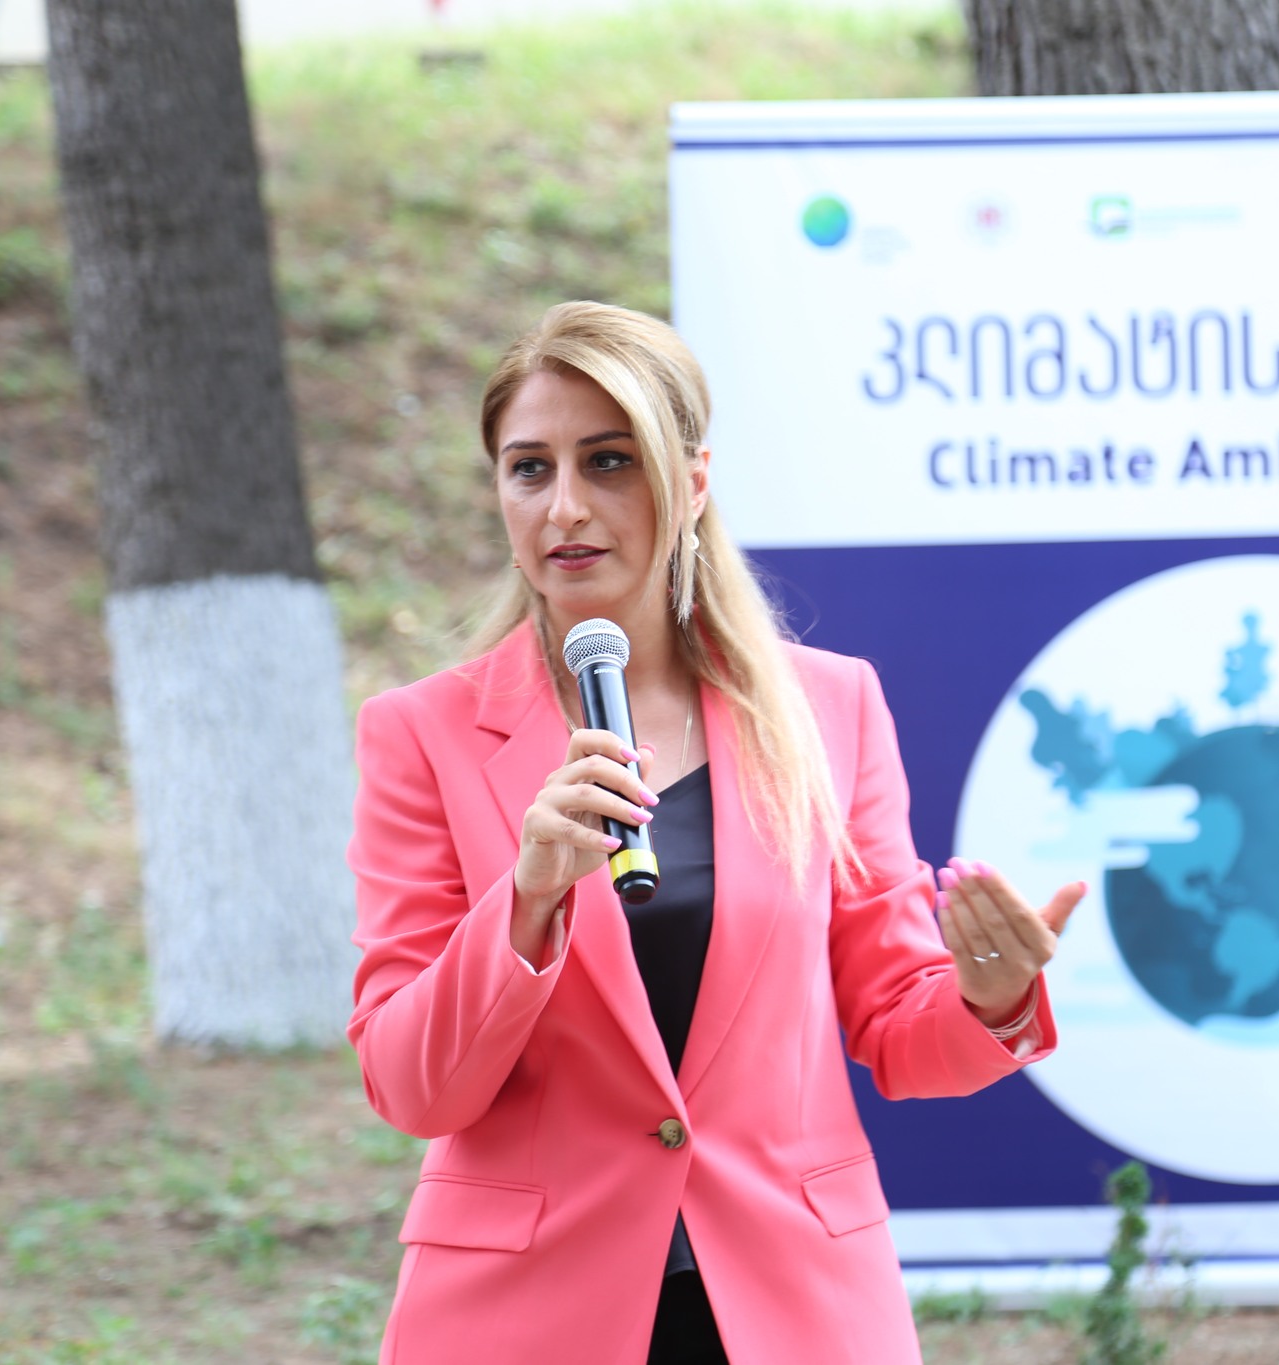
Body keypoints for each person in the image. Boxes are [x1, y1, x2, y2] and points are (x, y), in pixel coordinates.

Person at [347, 301, 1084, 1365]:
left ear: (690, 482)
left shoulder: (829, 708)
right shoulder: (422, 734)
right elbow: (412, 1086)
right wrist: (527, 899)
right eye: (529, 468)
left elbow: (897, 1029)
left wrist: (990, 993)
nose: (564, 506)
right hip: (527, 1315)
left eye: (608, 461)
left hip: (791, 1302)